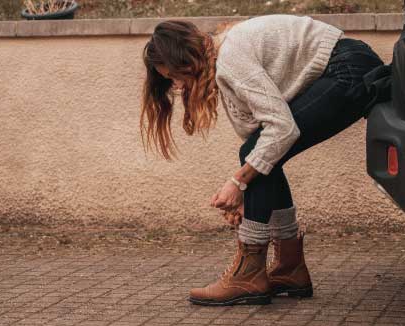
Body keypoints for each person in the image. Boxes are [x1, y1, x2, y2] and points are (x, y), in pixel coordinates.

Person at [140, 14, 384, 306]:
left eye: (174, 76)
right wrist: (250, 196)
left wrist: (238, 183)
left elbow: (281, 129)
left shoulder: (231, 58)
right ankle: (289, 267)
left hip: (350, 70)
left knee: (258, 152)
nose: (177, 86)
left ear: (185, 60)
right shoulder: (222, 57)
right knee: (259, 153)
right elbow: (262, 141)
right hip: (347, 66)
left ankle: (250, 273)